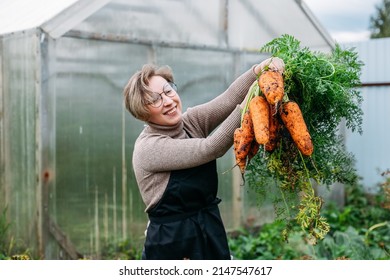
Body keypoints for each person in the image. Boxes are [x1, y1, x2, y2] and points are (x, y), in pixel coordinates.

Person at [123, 57, 285, 260]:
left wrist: (259, 69)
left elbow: (229, 98)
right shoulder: (149, 147)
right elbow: (210, 148)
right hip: (173, 243)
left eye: (168, 91)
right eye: (154, 100)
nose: (168, 101)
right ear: (142, 111)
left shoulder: (190, 122)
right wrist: (249, 106)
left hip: (209, 229)